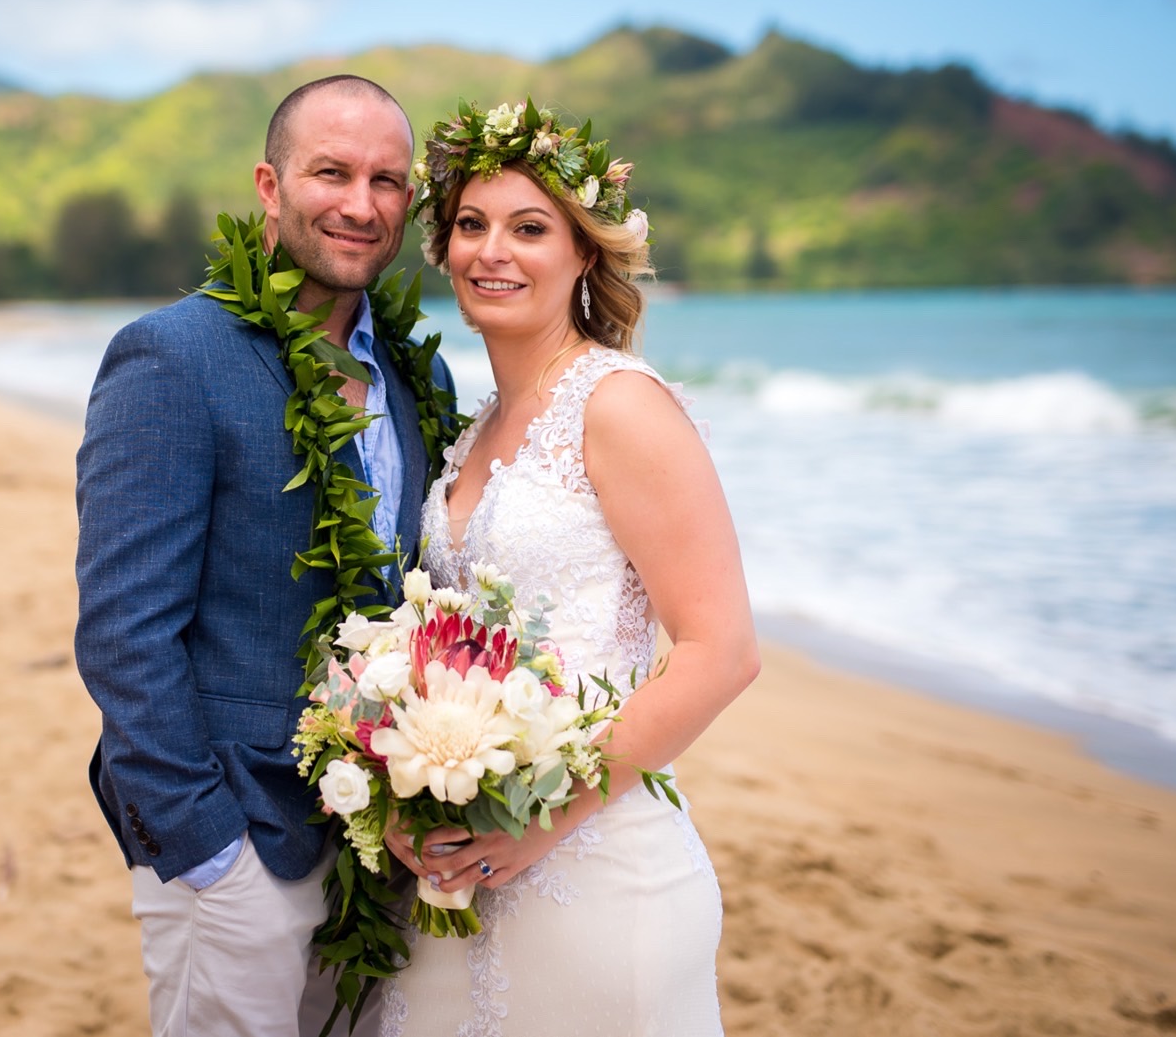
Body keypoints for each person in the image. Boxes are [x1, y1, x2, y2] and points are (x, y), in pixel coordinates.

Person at [74, 75, 454, 1037]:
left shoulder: (420, 373)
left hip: (378, 846)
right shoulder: (172, 357)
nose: (362, 204)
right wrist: (206, 850)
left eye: (388, 180)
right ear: (269, 185)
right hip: (235, 836)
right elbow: (125, 632)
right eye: (332, 171)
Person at [378, 102, 760, 1035]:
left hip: (598, 868)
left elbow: (720, 649)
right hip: (466, 875)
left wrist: (545, 819)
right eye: (471, 225)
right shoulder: (470, 435)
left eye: (530, 228)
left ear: (584, 253)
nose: (491, 251)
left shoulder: (619, 406)